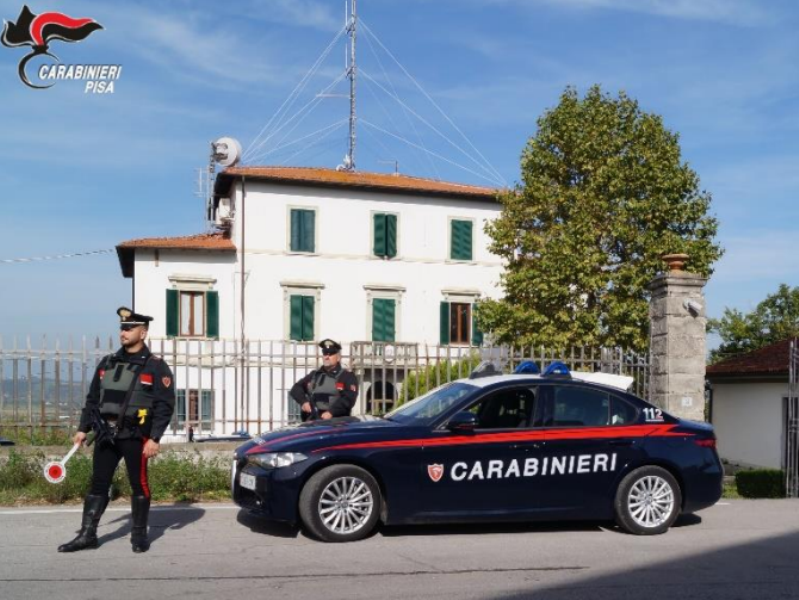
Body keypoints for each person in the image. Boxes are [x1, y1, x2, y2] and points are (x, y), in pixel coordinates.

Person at [58, 307, 175, 554]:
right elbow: (92, 399)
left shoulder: (156, 367)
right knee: (98, 484)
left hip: (136, 436)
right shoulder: (107, 362)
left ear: (142, 332)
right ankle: (87, 535)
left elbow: (165, 406)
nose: (123, 331)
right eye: (122, 327)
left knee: (138, 484)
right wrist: (82, 428)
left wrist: (154, 438)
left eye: (129, 328)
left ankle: (139, 536)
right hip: (105, 434)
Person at [290, 339, 358, 421]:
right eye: (325, 354)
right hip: (313, 421)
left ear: (338, 358)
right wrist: (303, 402)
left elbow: (349, 399)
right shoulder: (315, 375)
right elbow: (296, 388)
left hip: (337, 423)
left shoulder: (346, 376)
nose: (327, 357)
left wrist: (331, 412)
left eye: (331, 354)